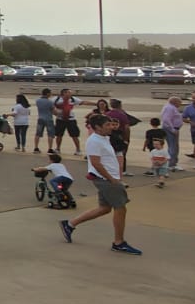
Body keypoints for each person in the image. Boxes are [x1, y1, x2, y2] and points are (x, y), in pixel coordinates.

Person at [58, 114, 141, 255]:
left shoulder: (105, 138)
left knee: (104, 208)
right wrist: (112, 179)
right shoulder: (94, 141)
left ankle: (70, 224)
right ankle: (119, 242)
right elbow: (96, 163)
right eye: (107, 125)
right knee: (120, 208)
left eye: (110, 124)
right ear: (97, 127)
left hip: (108, 178)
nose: (111, 127)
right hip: (106, 180)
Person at [159, 95, 184, 171]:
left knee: (174, 146)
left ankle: (173, 163)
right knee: (173, 147)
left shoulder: (171, 107)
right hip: (170, 129)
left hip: (172, 129)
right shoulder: (170, 108)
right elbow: (166, 119)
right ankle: (171, 164)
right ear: (175, 102)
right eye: (179, 102)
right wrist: (172, 129)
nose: (180, 104)